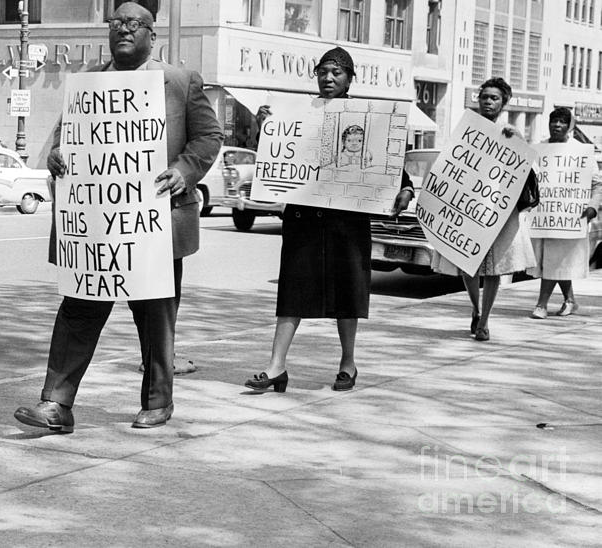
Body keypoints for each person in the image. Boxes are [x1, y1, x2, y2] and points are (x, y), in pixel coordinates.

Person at [13, 2, 222, 432]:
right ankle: (56, 404)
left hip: (154, 223)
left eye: (133, 24)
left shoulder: (180, 82)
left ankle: (158, 401)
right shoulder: (87, 83)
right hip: (95, 226)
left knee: (155, 316)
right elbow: (63, 135)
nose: (123, 29)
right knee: (79, 309)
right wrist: (56, 155)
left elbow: (209, 135)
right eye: (116, 23)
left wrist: (184, 171)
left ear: (152, 34)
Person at [244, 47, 413, 394]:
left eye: (337, 72)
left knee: (347, 290)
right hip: (304, 219)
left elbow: (390, 164)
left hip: (346, 221)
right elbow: (277, 156)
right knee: (292, 288)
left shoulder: (367, 116)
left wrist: (406, 190)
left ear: (351, 78)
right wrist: (268, 128)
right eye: (323, 71)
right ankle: (276, 365)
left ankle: (348, 363)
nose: (329, 78)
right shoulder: (299, 112)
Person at [431, 77, 535, 341]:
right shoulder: (466, 129)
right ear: (478, 99)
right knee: (468, 266)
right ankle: (475, 309)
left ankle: (484, 321)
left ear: (504, 103)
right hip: (468, 208)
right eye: (485, 96)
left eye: (494, 98)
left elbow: (523, 171)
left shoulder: (510, 132)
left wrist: (517, 142)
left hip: (496, 210)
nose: (488, 102)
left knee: (494, 269)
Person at [529, 107, 602, 318]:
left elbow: (597, 184)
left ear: (569, 126)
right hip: (544, 216)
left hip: (570, 216)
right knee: (552, 261)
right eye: (554, 121)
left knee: (555, 259)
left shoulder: (581, 150)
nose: (557, 125)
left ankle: (541, 305)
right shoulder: (539, 149)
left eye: (562, 122)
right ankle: (570, 300)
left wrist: (591, 207)